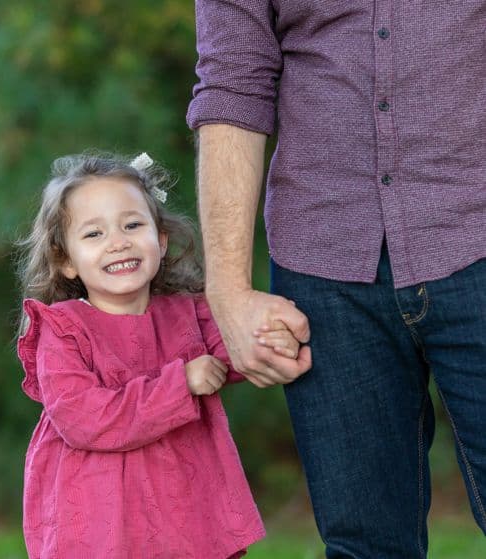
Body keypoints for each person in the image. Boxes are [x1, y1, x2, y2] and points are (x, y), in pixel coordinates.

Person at [190, 2, 486, 555]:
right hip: (324, 267)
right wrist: (227, 291)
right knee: (365, 545)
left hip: (476, 235)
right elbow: (232, 83)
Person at [15, 153, 292, 557]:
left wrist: (273, 337)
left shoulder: (188, 313)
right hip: (101, 523)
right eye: (94, 234)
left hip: (185, 511)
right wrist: (179, 385)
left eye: (132, 224)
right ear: (65, 260)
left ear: (160, 240)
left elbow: (238, 344)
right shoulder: (63, 329)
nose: (118, 242)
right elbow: (83, 417)